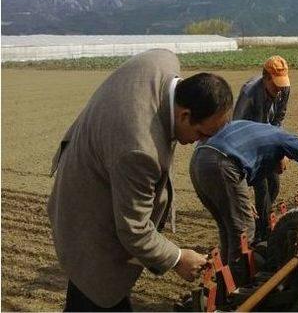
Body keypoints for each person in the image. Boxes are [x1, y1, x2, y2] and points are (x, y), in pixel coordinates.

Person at [47, 49, 233, 311]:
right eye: (201, 134)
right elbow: (134, 230)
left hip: (94, 165)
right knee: (96, 289)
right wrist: (178, 258)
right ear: (184, 115)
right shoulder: (140, 151)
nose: (199, 143)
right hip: (85, 215)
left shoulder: (163, 61)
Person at [189, 119, 298, 282]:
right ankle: (237, 284)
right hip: (222, 163)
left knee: (227, 227)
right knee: (243, 230)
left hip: (199, 161)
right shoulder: (280, 137)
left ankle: (225, 280)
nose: (283, 170)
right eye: (287, 163)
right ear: (285, 154)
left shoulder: (259, 133)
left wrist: (241, 201)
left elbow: (233, 167)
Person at [233, 55, 290, 241]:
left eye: (282, 83)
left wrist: (279, 152)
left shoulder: (284, 89)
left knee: (274, 183)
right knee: (262, 186)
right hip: (248, 143)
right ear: (265, 78)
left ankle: (260, 220)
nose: (279, 88)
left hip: (267, 139)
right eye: (276, 84)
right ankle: (263, 234)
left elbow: (278, 120)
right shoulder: (249, 94)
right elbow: (237, 128)